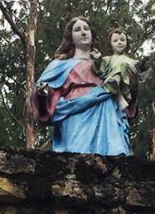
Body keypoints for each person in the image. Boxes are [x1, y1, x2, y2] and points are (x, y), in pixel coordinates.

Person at [32, 16, 131, 156]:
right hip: (76, 114)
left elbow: (125, 93)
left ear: (92, 34)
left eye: (86, 29)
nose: (83, 32)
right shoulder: (60, 65)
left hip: (106, 112)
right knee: (78, 159)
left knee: (112, 162)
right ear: (71, 38)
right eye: (77, 30)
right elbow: (41, 93)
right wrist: (42, 92)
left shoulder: (105, 65)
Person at [92, 26, 141, 117]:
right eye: (115, 41)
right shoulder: (107, 59)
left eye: (122, 40)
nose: (119, 42)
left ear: (127, 42)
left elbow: (136, 77)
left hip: (126, 87)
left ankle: (116, 82)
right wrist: (98, 59)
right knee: (114, 75)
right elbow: (101, 71)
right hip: (109, 85)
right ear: (110, 44)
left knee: (122, 65)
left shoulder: (132, 61)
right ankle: (117, 91)